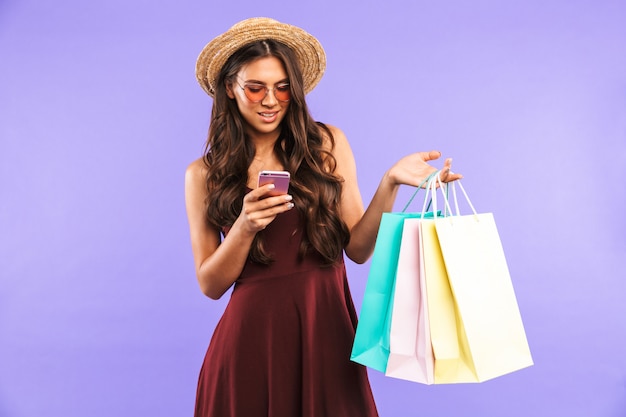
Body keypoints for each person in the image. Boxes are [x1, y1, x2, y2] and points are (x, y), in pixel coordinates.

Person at [185, 17, 461, 417]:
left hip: (327, 332)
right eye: (255, 87)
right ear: (230, 89)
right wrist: (245, 227)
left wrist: (390, 183)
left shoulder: (327, 143)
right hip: (250, 342)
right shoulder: (203, 174)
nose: (269, 100)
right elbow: (210, 285)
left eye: (282, 88)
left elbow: (358, 249)